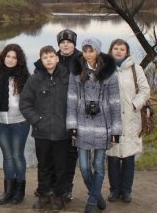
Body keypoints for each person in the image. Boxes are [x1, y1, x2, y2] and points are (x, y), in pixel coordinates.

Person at [67, 38, 122, 213]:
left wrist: (116, 131)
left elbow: (115, 103)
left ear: (97, 51)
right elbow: (71, 100)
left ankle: (91, 203)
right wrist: (72, 126)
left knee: (98, 166)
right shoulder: (76, 72)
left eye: (91, 51)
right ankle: (97, 195)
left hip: (102, 127)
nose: (88, 54)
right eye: (85, 51)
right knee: (83, 167)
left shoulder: (109, 73)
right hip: (82, 125)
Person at [20, 45, 70, 211]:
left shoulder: (66, 77)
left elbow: (75, 103)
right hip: (41, 132)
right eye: (45, 57)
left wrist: (70, 124)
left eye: (51, 56)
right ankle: (44, 195)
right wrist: (37, 121)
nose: (48, 60)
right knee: (44, 166)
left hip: (62, 132)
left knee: (61, 167)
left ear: (57, 58)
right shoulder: (35, 79)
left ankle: (59, 196)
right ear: (41, 60)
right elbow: (25, 104)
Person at [106, 39, 151, 203]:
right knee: (112, 156)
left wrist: (134, 105)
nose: (118, 51)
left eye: (122, 49)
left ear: (127, 52)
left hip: (131, 119)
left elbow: (145, 90)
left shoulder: (135, 69)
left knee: (128, 157)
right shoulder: (105, 69)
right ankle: (114, 190)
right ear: (111, 50)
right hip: (111, 119)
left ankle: (126, 191)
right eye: (115, 48)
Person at [0, 43, 30, 205]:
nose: (11, 60)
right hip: (1, 123)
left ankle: (20, 191)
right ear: (3, 57)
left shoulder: (24, 77)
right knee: (7, 157)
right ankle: (8, 190)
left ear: (18, 60)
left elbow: (30, 101)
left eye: (14, 57)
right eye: (8, 56)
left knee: (17, 156)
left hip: (20, 122)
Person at [56, 29, 82, 202]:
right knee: (54, 153)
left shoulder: (81, 60)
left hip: (76, 114)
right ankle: (52, 187)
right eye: (62, 42)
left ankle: (67, 188)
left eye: (69, 42)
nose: (65, 44)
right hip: (55, 113)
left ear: (74, 43)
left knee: (71, 154)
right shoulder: (52, 58)